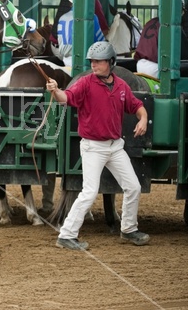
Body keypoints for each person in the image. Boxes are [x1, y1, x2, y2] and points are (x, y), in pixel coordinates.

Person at [46, 41, 150, 250]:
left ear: (110, 62)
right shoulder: (85, 83)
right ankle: (66, 235)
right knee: (89, 192)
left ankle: (128, 229)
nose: (93, 65)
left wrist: (143, 119)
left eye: (98, 61)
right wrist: (55, 91)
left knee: (133, 187)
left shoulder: (121, 86)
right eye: (92, 61)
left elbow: (137, 105)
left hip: (115, 147)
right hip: (93, 147)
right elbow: (66, 98)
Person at [135, 0, 188, 78]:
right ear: (177, 10)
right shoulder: (174, 27)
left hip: (139, 65)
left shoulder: (150, 21)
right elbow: (187, 56)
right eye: (182, 11)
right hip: (156, 68)